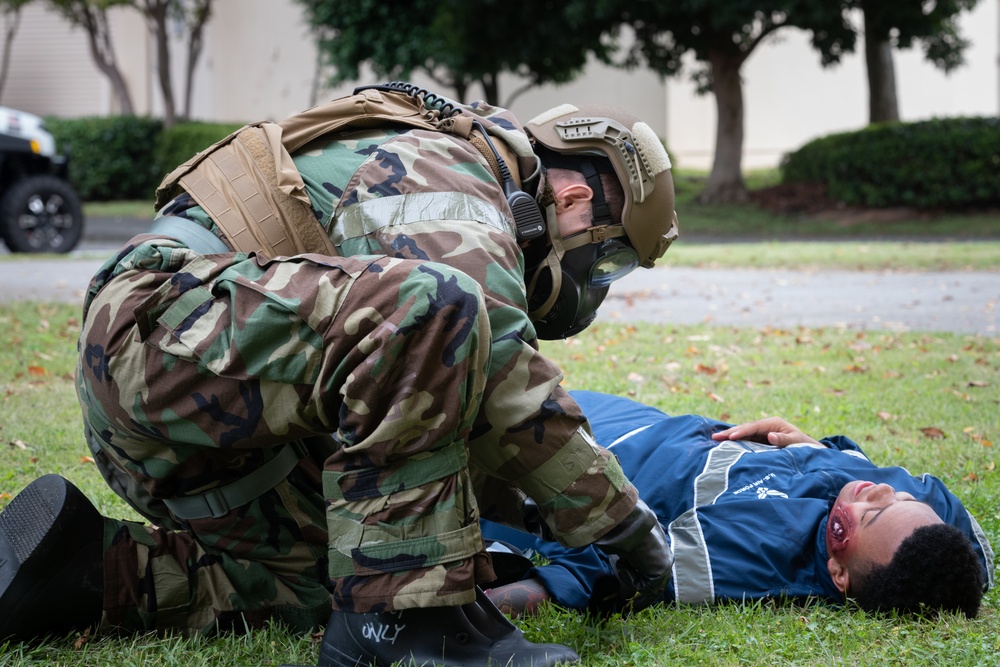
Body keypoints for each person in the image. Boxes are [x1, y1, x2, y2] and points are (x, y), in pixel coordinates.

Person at [0, 84, 679, 666]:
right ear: (573, 196)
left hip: (197, 396)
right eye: (612, 257)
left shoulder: (461, 181)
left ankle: (85, 569)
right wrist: (628, 531)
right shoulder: (448, 169)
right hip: (163, 330)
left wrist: (549, 520)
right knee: (437, 307)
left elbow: (451, 421)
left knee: (332, 579)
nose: (599, 279)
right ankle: (407, 621)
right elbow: (504, 369)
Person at [481, 390, 994, 620]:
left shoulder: (750, 555)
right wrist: (813, 447)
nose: (876, 490)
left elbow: (610, 573)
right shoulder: (924, 526)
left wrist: (473, 606)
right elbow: (963, 542)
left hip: (590, 444)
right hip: (654, 417)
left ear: (839, 574)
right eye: (896, 493)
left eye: (874, 514)